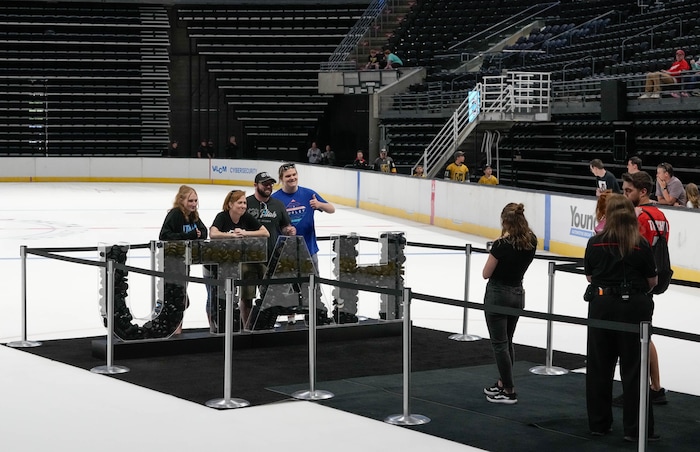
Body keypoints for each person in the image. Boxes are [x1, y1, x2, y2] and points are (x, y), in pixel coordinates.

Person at [584, 194, 658, 442]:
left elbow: (590, 277)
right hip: (633, 308)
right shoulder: (640, 244)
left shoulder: (595, 243)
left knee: (599, 366)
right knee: (635, 369)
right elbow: (652, 281)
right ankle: (636, 429)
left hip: (602, 305)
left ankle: (598, 424)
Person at [620, 171, 670, 406]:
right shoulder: (661, 216)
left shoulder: (639, 218)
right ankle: (656, 387)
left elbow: (631, 249)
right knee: (645, 336)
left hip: (635, 283)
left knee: (635, 339)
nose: (624, 194)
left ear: (643, 192)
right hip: (652, 280)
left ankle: (636, 392)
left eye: (628, 190)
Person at [482, 203, 537, 405]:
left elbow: (486, 273)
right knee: (508, 341)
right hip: (517, 293)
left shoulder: (501, 245)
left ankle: (509, 389)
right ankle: (503, 382)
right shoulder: (531, 241)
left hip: (498, 294)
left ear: (505, 222)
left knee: (500, 344)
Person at [209, 190, 269, 329]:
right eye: (239, 202)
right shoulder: (222, 216)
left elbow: (265, 232)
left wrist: (245, 233)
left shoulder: (246, 217)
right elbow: (213, 233)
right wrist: (230, 236)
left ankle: (247, 326)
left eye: (244, 203)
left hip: (241, 262)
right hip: (223, 265)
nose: (243, 206)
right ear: (230, 204)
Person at [158, 185, 209, 334]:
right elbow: (164, 235)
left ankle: (177, 326)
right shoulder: (175, 214)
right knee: (177, 297)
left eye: (195, 200)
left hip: (185, 262)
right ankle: (173, 327)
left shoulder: (194, 215)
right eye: (190, 200)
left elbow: (203, 231)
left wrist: (198, 234)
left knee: (181, 297)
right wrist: (188, 235)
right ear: (181, 200)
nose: (193, 204)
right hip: (172, 263)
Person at [272, 163, 335, 274]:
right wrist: (284, 230)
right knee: (289, 288)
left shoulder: (309, 194)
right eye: (288, 176)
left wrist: (319, 204)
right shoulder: (275, 199)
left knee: (313, 285)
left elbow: (331, 209)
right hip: (285, 253)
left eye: (294, 174)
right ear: (281, 179)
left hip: (309, 249)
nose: (292, 178)